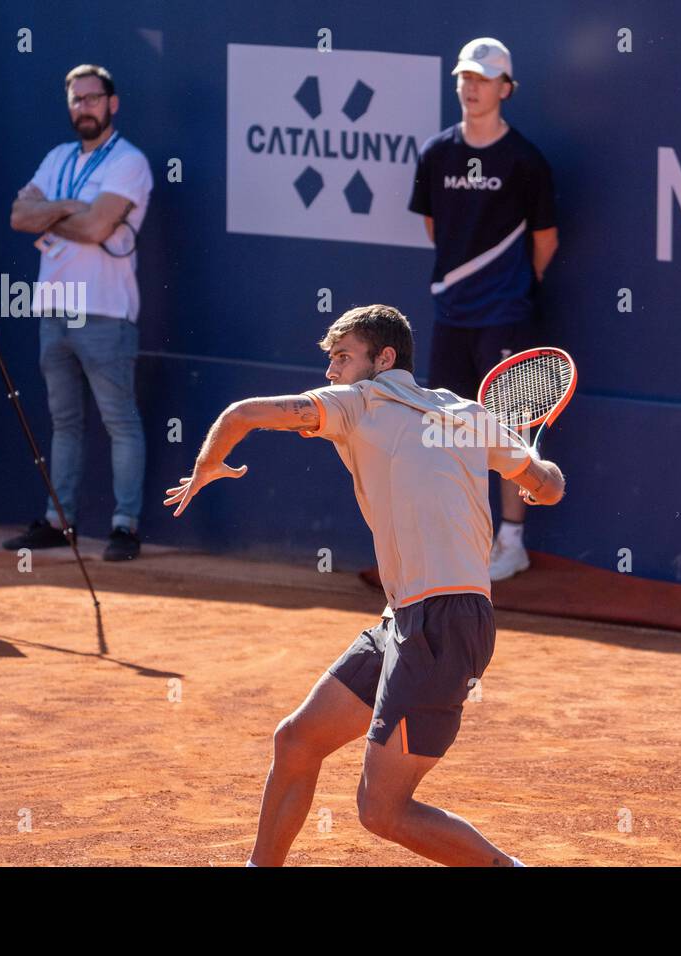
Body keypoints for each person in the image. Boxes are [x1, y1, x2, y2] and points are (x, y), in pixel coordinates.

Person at [165, 304, 566, 866]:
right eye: (329, 359)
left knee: (383, 812)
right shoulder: (470, 414)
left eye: (342, 357)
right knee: (297, 741)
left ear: (384, 358)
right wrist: (533, 476)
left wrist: (209, 464)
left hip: (444, 625)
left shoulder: (358, 402)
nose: (330, 373)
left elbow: (243, 413)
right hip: (404, 619)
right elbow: (548, 487)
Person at [408, 36, 559, 582]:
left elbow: (545, 240)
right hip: (451, 313)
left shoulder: (525, 161)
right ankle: (456, 542)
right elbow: (433, 227)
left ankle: (511, 542)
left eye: (482, 79)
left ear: (505, 89)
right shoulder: (436, 153)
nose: (470, 87)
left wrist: (510, 286)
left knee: (506, 430)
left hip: (505, 314)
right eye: (464, 78)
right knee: (450, 432)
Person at [2, 64, 153, 561]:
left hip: (106, 311)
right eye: (75, 99)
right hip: (53, 309)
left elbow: (95, 230)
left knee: (120, 422)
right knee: (63, 423)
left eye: (92, 98)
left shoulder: (128, 161)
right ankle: (57, 520)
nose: (83, 107)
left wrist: (55, 213)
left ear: (112, 103)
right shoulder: (58, 156)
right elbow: (19, 216)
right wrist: (74, 208)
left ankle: (124, 527)